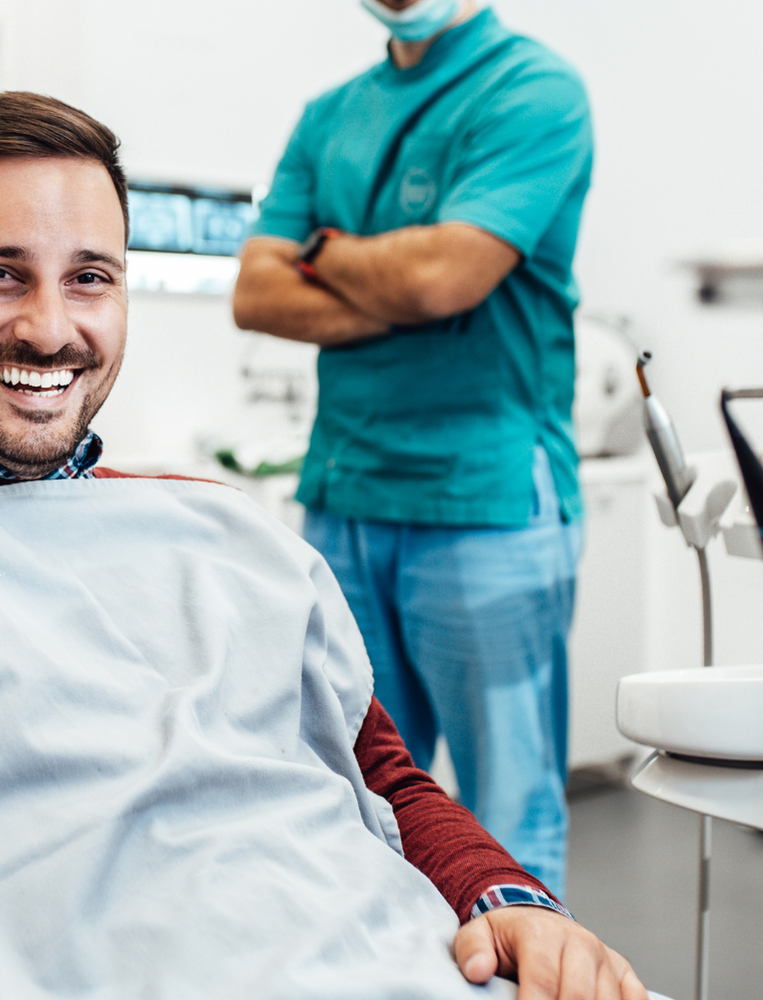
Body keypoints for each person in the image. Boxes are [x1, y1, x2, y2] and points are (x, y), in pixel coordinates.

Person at [0, 92, 642, 999]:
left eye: (89, 277)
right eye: (0, 274)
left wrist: (506, 896)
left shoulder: (223, 528)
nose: (51, 327)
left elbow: (382, 775)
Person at [231, 0, 592, 898]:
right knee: (357, 800)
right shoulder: (330, 114)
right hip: (345, 496)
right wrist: (405, 289)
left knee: (506, 811)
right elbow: (256, 295)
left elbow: (445, 277)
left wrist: (326, 252)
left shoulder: (533, 89)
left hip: (487, 503)